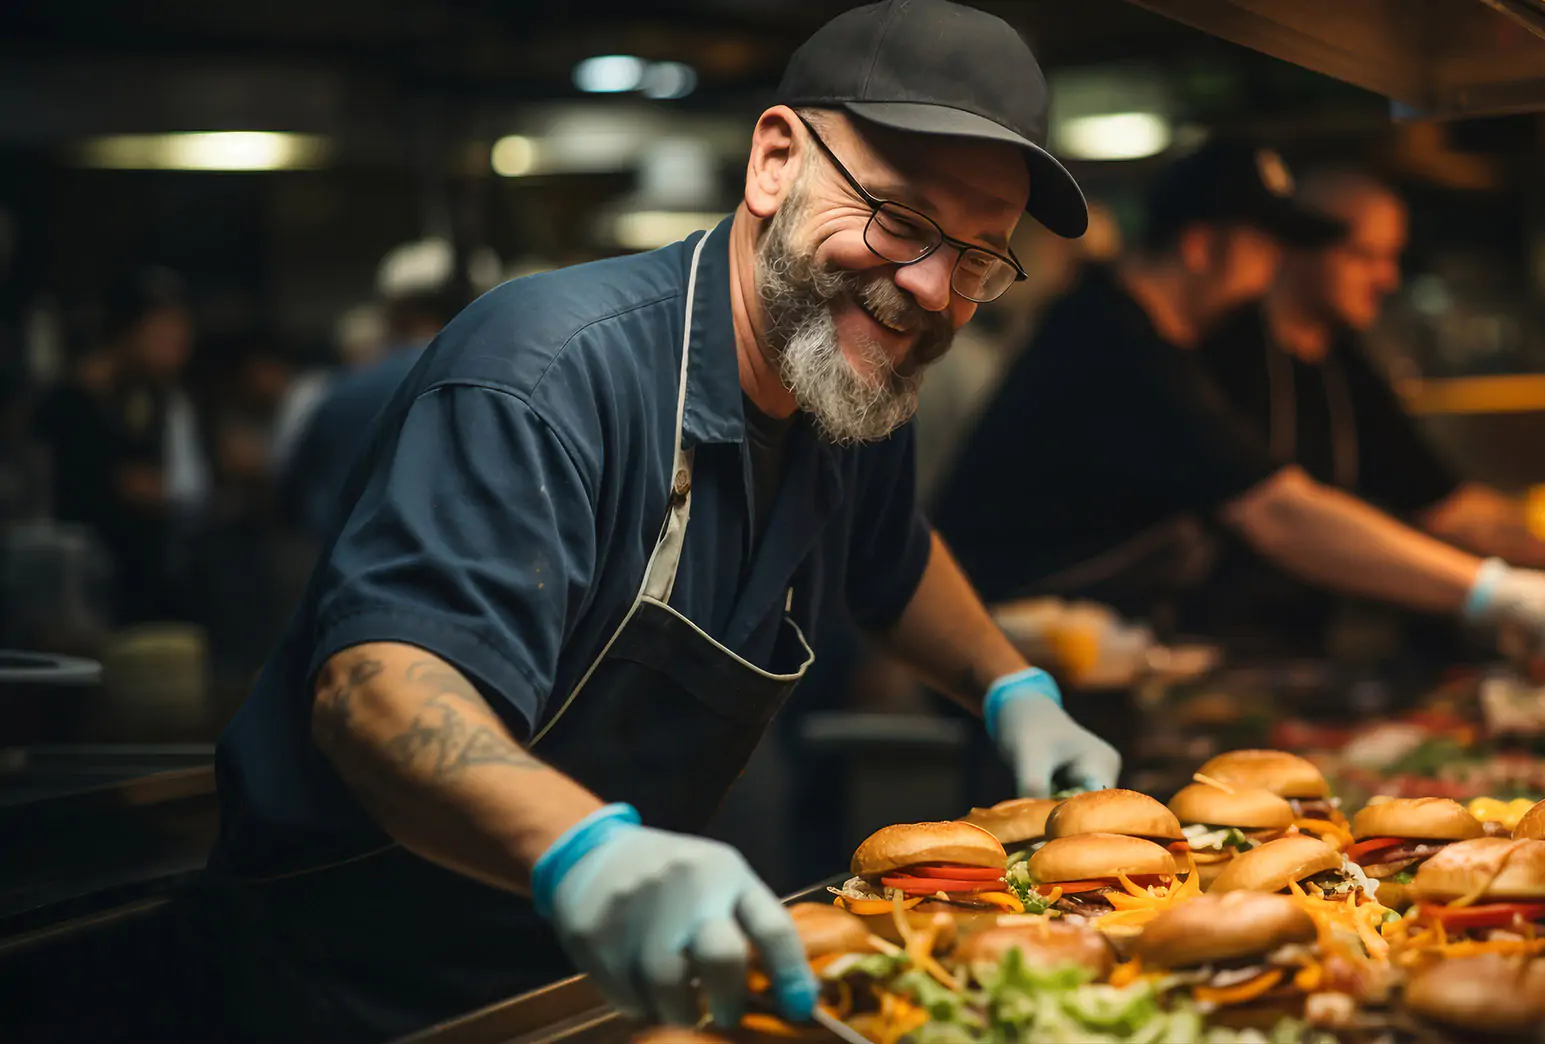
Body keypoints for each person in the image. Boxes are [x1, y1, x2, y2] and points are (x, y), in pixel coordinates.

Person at [201, 2, 1119, 1039]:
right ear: (775, 160)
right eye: (901, 221)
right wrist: (587, 853)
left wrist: (1013, 690)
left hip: (589, 984)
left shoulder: (851, 379)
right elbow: (374, 687)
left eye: (981, 258)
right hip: (357, 983)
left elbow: (891, 559)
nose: (931, 288)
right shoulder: (546, 370)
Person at [935, 141, 1545, 682]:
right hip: (994, 661)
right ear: (1201, 247)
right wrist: (1489, 591)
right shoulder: (1112, 343)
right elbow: (1277, 511)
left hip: (1072, 661)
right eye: (1264, 247)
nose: (1273, 271)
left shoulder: (1150, 336)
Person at [1204, 169, 1545, 640]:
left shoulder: (1346, 365)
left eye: (1393, 256)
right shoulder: (1222, 351)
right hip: (1204, 647)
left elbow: (1448, 508)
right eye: (1364, 256)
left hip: (1305, 647)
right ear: (1300, 246)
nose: (1387, 278)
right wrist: (1489, 592)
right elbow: (1277, 512)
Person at [31, 267, 211, 623]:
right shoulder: (68, 405)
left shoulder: (154, 402)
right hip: (80, 593)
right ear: (126, 332)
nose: (179, 349)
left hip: (144, 593)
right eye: (165, 334)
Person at [278, 278, 464, 542]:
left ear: (396, 314)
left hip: (363, 559)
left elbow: (296, 494)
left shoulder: (340, 395)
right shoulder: (485, 378)